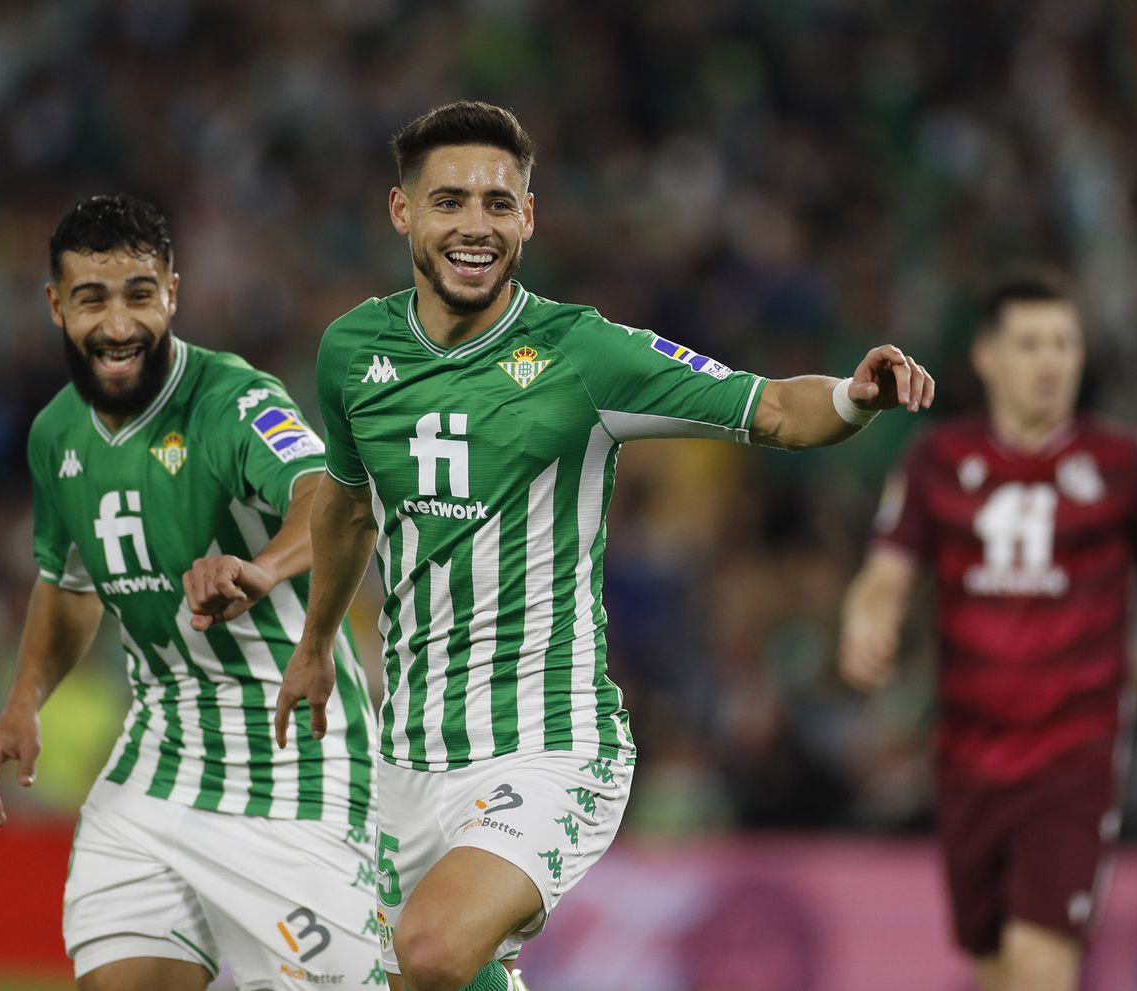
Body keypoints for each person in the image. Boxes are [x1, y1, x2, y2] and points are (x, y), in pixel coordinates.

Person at [271, 101, 935, 991]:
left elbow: (773, 406)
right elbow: (347, 508)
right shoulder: (352, 352)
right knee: (412, 975)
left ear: (529, 217)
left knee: (430, 948)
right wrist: (316, 643)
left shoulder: (582, 353)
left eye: (498, 204)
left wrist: (854, 395)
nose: (475, 226)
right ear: (403, 212)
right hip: (408, 749)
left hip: (549, 741)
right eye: (449, 201)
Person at [0, 194, 383, 991]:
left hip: (291, 757)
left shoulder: (232, 400)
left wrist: (261, 568)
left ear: (173, 294)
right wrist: (23, 700)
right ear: (56, 305)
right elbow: (70, 583)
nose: (118, 323)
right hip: (160, 758)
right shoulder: (55, 435)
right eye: (92, 298)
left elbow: (333, 497)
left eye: (139, 294)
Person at [838, 272, 1137, 991]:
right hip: (966, 762)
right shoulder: (936, 459)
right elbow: (885, 573)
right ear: (987, 357)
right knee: (994, 969)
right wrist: (867, 620)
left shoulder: (1131, 464)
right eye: (1029, 344)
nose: (1050, 361)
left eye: (1063, 343)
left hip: (1072, 762)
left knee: (1038, 964)